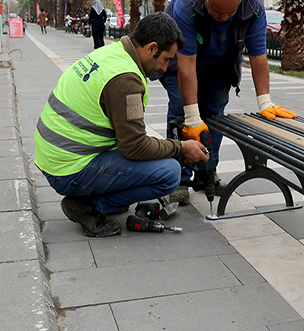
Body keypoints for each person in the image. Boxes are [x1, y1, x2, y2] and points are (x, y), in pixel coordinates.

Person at [34, 12, 209, 237]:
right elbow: (135, 147)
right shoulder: (126, 80)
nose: (165, 68)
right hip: (67, 167)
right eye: (166, 59)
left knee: (155, 156)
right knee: (170, 173)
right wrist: (180, 148)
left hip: (54, 155)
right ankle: (91, 205)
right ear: (152, 48)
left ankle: (96, 196)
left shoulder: (111, 53)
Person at [155, 0, 296, 205]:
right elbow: (187, 66)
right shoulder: (186, 4)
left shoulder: (252, 3)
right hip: (181, 61)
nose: (224, 18)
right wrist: (191, 116)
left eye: (230, 13)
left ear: (240, 0)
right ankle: (179, 178)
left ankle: (207, 171)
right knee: (182, 111)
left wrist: (265, 101)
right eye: (217, 12)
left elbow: (258, 55)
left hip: (220, 62)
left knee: (214, 113)